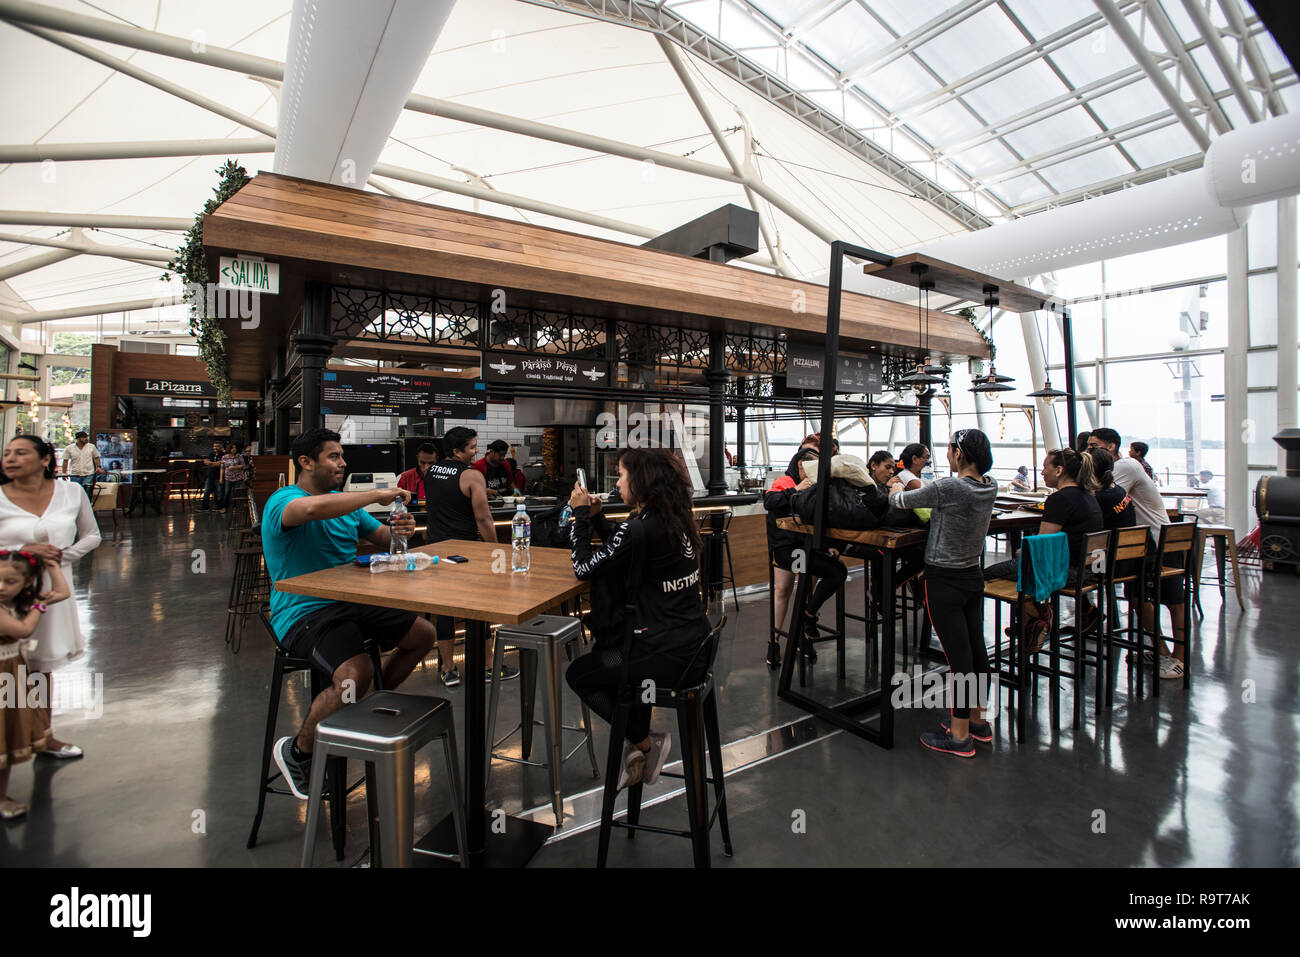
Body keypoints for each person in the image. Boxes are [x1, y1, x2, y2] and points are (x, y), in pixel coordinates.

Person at [261, 428, 436, 799]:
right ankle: (298, 751)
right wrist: (374, 495)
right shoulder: (284, 500)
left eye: (342, 456)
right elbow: (308, 510)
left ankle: (374, 702)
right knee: (355, 673)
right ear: (305, 462)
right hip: (304, 610)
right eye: (334, 457)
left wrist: (403, 530)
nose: (343, 463)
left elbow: (389, 544)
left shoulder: (346, 508)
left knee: (423, 634)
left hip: (350, 603)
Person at [565, 448, 712, 789]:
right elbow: (624, 551)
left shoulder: (637, 529)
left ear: (641, 482)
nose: (617, 483)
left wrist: (581, 517)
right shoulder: (674, 518)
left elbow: (584, 567)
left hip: (658, 654)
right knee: (618, 671)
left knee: (582, 674)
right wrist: (601, 520)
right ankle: (638, 746)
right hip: (694, 646)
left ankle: (645, 743)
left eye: (621, 475)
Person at [887, 429, 997, 758]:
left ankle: (959, 735)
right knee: (977, 652)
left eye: (950, 448)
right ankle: (978, 722)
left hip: (944, 580)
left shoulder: (950, 487)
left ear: (960, 454)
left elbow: (901, 500)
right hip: (971, 577)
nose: (946, 453)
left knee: (958, 658)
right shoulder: (988, 486)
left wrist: (895, 486)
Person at [0, 435, 101, 759]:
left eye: (21, 452)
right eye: (7, 453)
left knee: (42, 663)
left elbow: (92, 535)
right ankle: (10, 743)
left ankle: (43, 735)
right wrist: (22, 554)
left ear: (45, 459)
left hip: (53, 592)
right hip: (6, 593)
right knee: (8, 670)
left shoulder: (71, 492)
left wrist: (60, 559)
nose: (11, 458)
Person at [1087, 428, 1185, 680]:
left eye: (1094, 445)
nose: (1089, 450)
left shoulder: (1125, 466)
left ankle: (1180, 656)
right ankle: (1161, 650)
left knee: (1172, 599)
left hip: (1156, 538)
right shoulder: (1121, 468)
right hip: (1138, 543)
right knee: (1139, 597)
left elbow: (1095, 493)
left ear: (1111, 447)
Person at [423, 427, 517, 685]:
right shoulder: (472, 476)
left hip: (436, 551)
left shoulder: (431, 470)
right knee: (479, 609)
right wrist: (497, 550)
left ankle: (448, 668)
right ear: (457, 450)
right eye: (473, 447)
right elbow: (483, 518)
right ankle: (488, 667)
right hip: (467, 553)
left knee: (445, 611)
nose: (477, 451)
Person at [985, 448, 1103, 650]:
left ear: (1059, 470)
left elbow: (1041, 547)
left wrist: (1023, 551)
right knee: (1022, 568)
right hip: (1090, 570)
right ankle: (1029, 628)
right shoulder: (1089, 496)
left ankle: (1038, 614)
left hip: (1066, 572)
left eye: (1044, 468)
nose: (1042, 473)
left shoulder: (1060, 499)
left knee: (986, 575)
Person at [0, 550, 70, 819]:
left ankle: (1, 797)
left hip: (11, 677)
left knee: (5, 737)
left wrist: (51, 566)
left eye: (10, 582)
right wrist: (39, 607)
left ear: (26, 583)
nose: (1, 587)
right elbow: (23, 630)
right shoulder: (13, 610)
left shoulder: (17, 604)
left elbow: (61, 592)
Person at [762, 447, 847, 666]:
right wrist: (797, 490)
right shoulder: (785, 482)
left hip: (805, 548)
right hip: (787, 549)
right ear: (801, 465)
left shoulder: (815, 484)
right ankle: (775, 642)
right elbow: (770, 502)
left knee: (806, 589)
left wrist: (828, 545)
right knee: (784, 590)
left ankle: (803, 636)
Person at [219, 443, 250, 512]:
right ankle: (224, 507)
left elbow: (243, 466)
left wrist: (234, 467)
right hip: (228, 477)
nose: (234, 449)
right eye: (233, 448)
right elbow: (222, 468)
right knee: (227, 492)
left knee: (239, 492)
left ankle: (240, 507)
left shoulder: (239, 456)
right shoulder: (224, 457)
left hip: (238, 477)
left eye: (235, 448)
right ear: (229, 449)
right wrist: (221, 478)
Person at [197, 442, 225, 511]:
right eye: (214, 446)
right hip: (210, 476)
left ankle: (219, 507)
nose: (215, 448)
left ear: (221, 447)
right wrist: (213, 463)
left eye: (217, 446)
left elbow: (220, 464)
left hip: (219, 476)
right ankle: (204, 507)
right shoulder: (211, 454)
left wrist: (211, 463)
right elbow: (206, 461)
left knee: (219, 493)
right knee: (206, 492)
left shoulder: (224, 455)